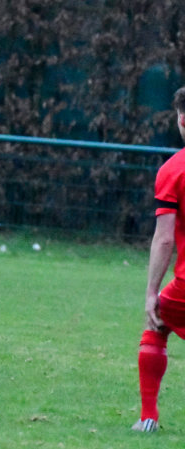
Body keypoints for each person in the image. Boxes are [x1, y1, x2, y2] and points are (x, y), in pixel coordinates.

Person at [133, 86, 185, 432]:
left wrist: (152, 291)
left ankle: (148, 417)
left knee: (157, 323)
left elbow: (164, 238)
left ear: (182, 119)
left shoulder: (173, 170)